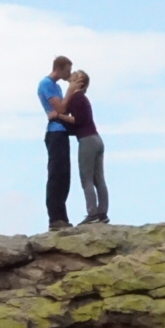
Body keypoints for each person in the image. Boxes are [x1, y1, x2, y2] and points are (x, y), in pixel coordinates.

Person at [59, 70, 107, 224]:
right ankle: (102, 213)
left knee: (86, 178)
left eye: (75, 76)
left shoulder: (76, 98)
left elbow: (76, 120)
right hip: (96, 138)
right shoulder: (83, 99)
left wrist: (58, 116)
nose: (71, 77)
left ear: (81, 82)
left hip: (87, 140)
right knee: (98, 178)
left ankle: (92, 214)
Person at [37, 56, 73, 230]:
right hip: (55, 133)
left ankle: (62, 217)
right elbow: (61, 108)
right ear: (59, 69)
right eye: (67, 70)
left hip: (62, 132)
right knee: (56, 175)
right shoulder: (46, 84)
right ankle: (55, 218)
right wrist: (72, 90)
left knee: (64, 176)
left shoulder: (57, 86)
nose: (69, 74)